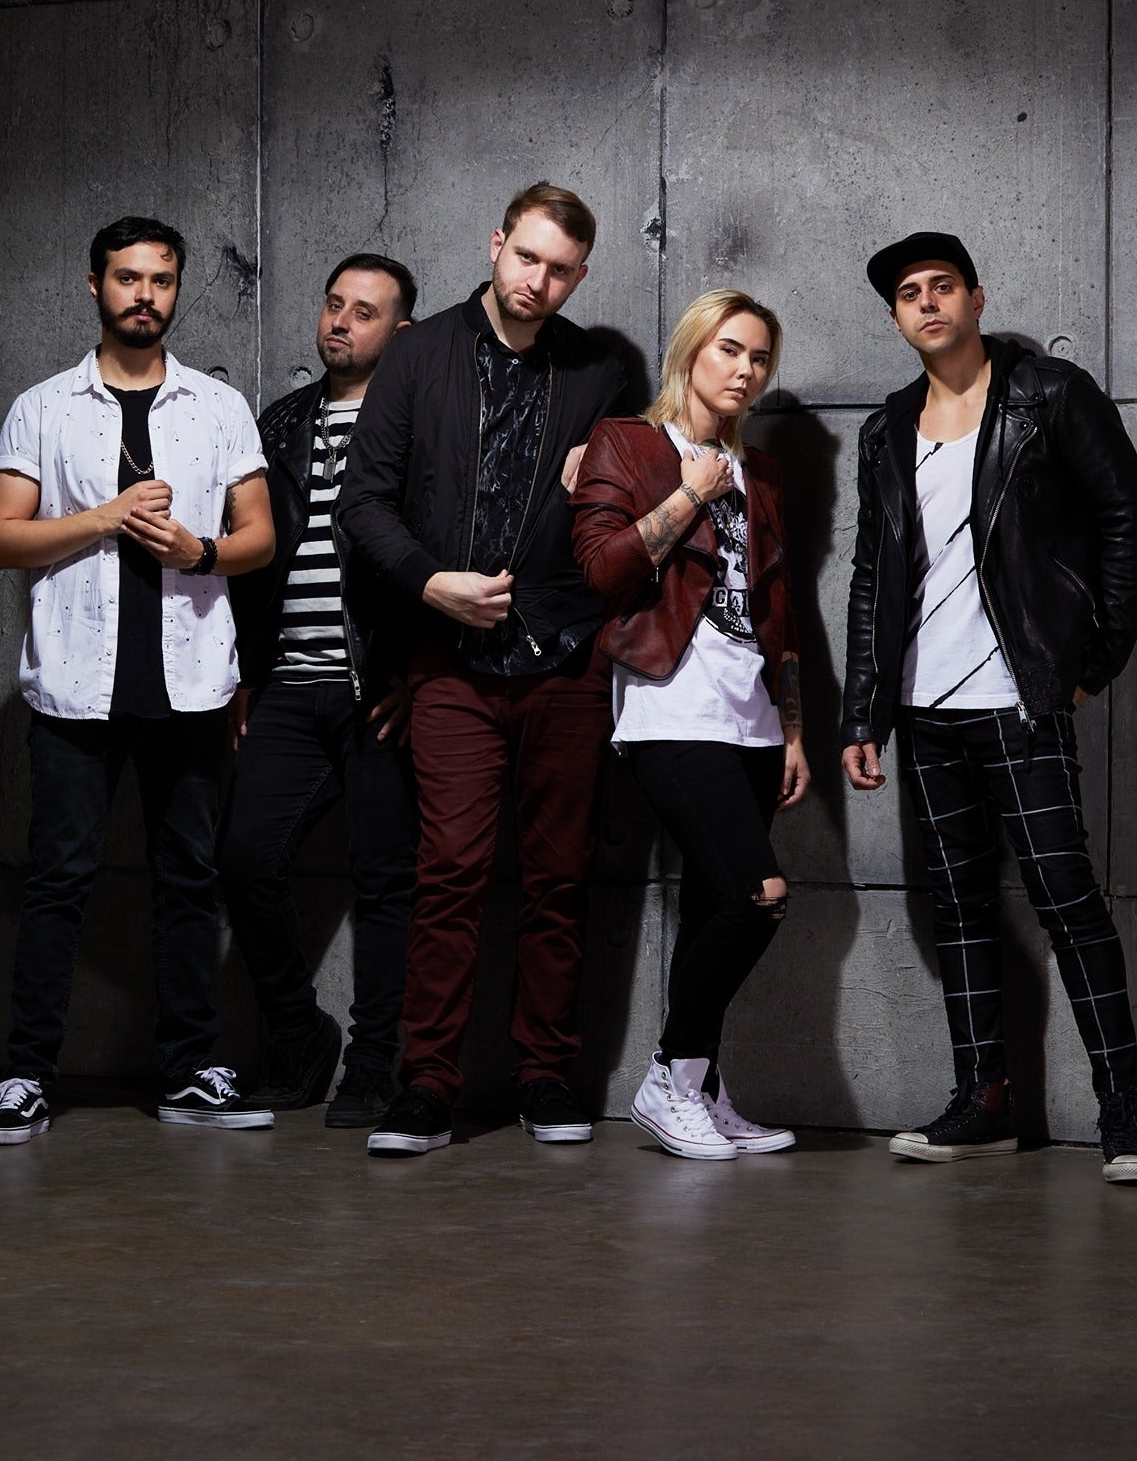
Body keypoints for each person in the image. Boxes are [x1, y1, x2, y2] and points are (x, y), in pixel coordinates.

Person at [841, 232, 1137, 1184]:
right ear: (896, 318)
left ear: (975, 298)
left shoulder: (1048, 396)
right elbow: (872, 574)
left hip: (1017, 698)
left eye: (942, 286)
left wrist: (1091, 663)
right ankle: (983, 1102)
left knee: (1067, 900)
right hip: (923, 708)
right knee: (959, 907)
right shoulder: (885, 429)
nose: (927, 303)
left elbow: (1127, 521)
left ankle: (1123, 1118)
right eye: (909, 293)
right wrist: (863, 711)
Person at [338, 182, 627, 1156]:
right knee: (450, 873)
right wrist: (432, 585)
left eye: (560, 269)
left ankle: (545, 1073)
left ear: (578, 276)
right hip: (450, 658)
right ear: (496, 243)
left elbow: (619, 510)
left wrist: (604, 475)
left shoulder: (599, 369)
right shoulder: (418, 352)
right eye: (526, 257)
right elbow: (362, 501)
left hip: (565, 657)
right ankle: (426, 1085)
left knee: (558, 878)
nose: (538, 280)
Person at [0, 216, 276, 1143]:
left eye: (161, 280)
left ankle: (187, 1073)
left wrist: (198, 550)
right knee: (58, 883)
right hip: (74, 689)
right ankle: (27, 1075)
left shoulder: (218, 407)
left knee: (189, 881)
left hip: (190, 686)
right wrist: (105, 517)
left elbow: (260, 539)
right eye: (127, 278)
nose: (145, 295)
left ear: (177, 289)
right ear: (95, 285)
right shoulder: (44, 407)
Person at [572, 290, 810, 1159]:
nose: (744, 370)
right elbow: (600, 570)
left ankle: (698, 1089)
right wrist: (685, 495)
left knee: (717, 904)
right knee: (757, 897)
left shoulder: (761, 474)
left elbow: (778, 608)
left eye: (758, 357)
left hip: (751, 717)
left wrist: (791, 728)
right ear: (689, 353)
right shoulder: (626, 444)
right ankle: (668, 1076)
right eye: (728, 350)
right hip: (671, 707)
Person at [222, 255, 420, 1128]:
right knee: (244, 860)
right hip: (286, 688)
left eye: (364, 312)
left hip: (378, 690)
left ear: (400, 334)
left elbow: (443, 547)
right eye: (333, 304)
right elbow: (250, 559)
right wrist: (245, 671)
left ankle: (374, 1066)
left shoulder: (419, 425)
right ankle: (299, 1034)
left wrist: (418, 669)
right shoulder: (280, 422)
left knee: (385, 882)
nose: (340, 321)